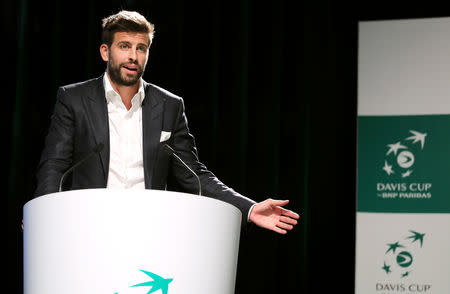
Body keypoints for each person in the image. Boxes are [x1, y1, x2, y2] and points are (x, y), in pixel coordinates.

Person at [34, 10, 299, 234]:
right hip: (88, 228)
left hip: (150, 232)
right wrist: (42, 215)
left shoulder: (169, 106)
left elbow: (194, 174)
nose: (133, 57)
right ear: (105, 52)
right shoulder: (74, 99)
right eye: (124, 46)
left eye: (141, 48)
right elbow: (54, 165)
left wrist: (249, 209)